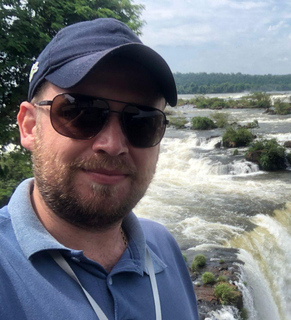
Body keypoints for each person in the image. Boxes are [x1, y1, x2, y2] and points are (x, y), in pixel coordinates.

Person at [0, 18, 198, 320]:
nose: (113, 143)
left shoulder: (162, 246)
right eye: (81, 112)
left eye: (142, 121)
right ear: (29, 127)